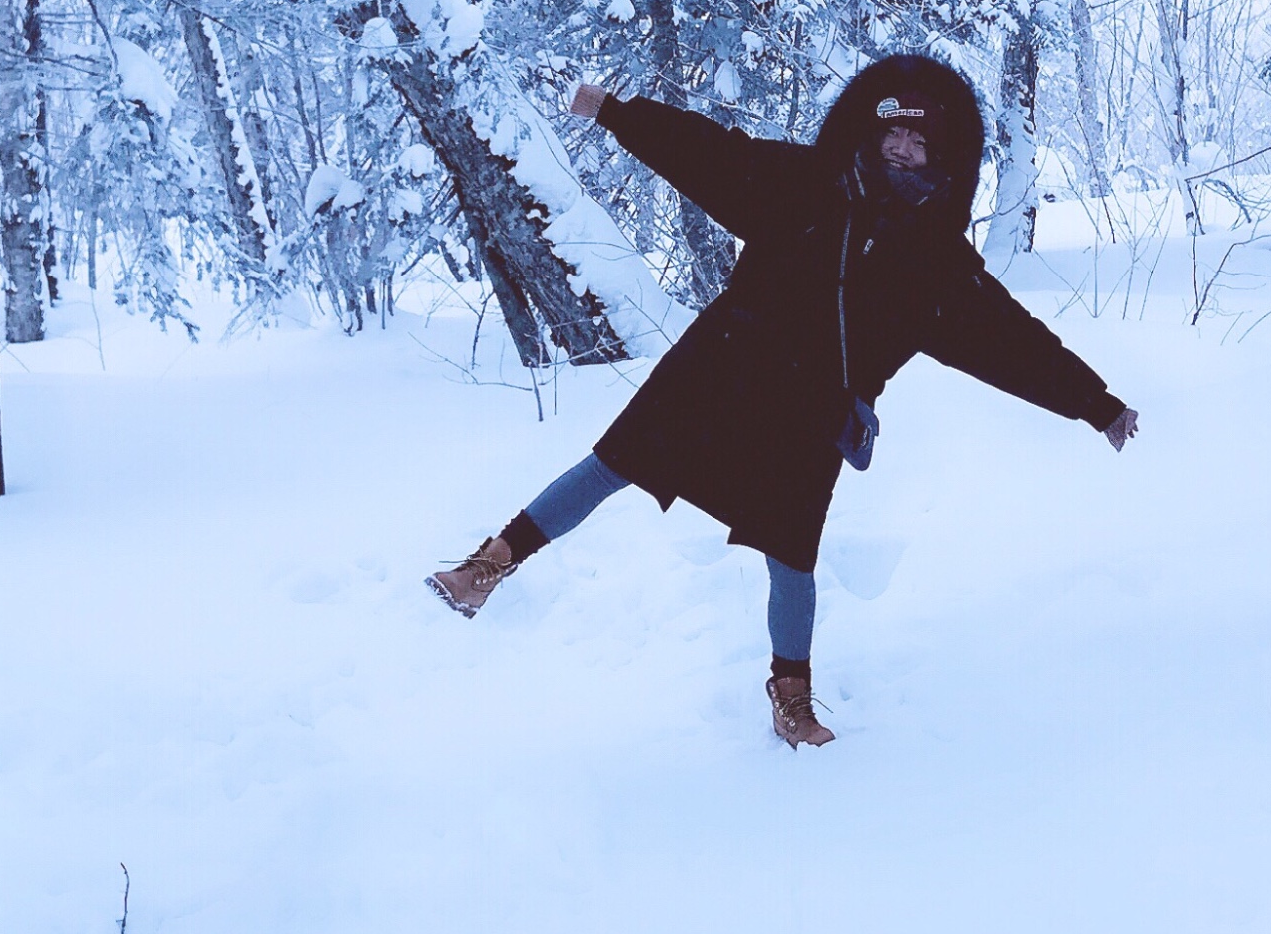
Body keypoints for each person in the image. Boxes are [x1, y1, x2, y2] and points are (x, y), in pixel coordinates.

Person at [427, 53, 1138, 749]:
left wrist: (1095, 403)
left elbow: (1009, 340)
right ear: (869, 130)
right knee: (612, 464)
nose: (903, 146)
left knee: (791, 556)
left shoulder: (937, 264)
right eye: (894, 130)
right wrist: (617, 113)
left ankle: (790, 696)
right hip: (720, 366)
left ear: (940, 157)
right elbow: (709, 154)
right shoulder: (803, 185)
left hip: (811, 413)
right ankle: (486, 567)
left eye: (920, 140)